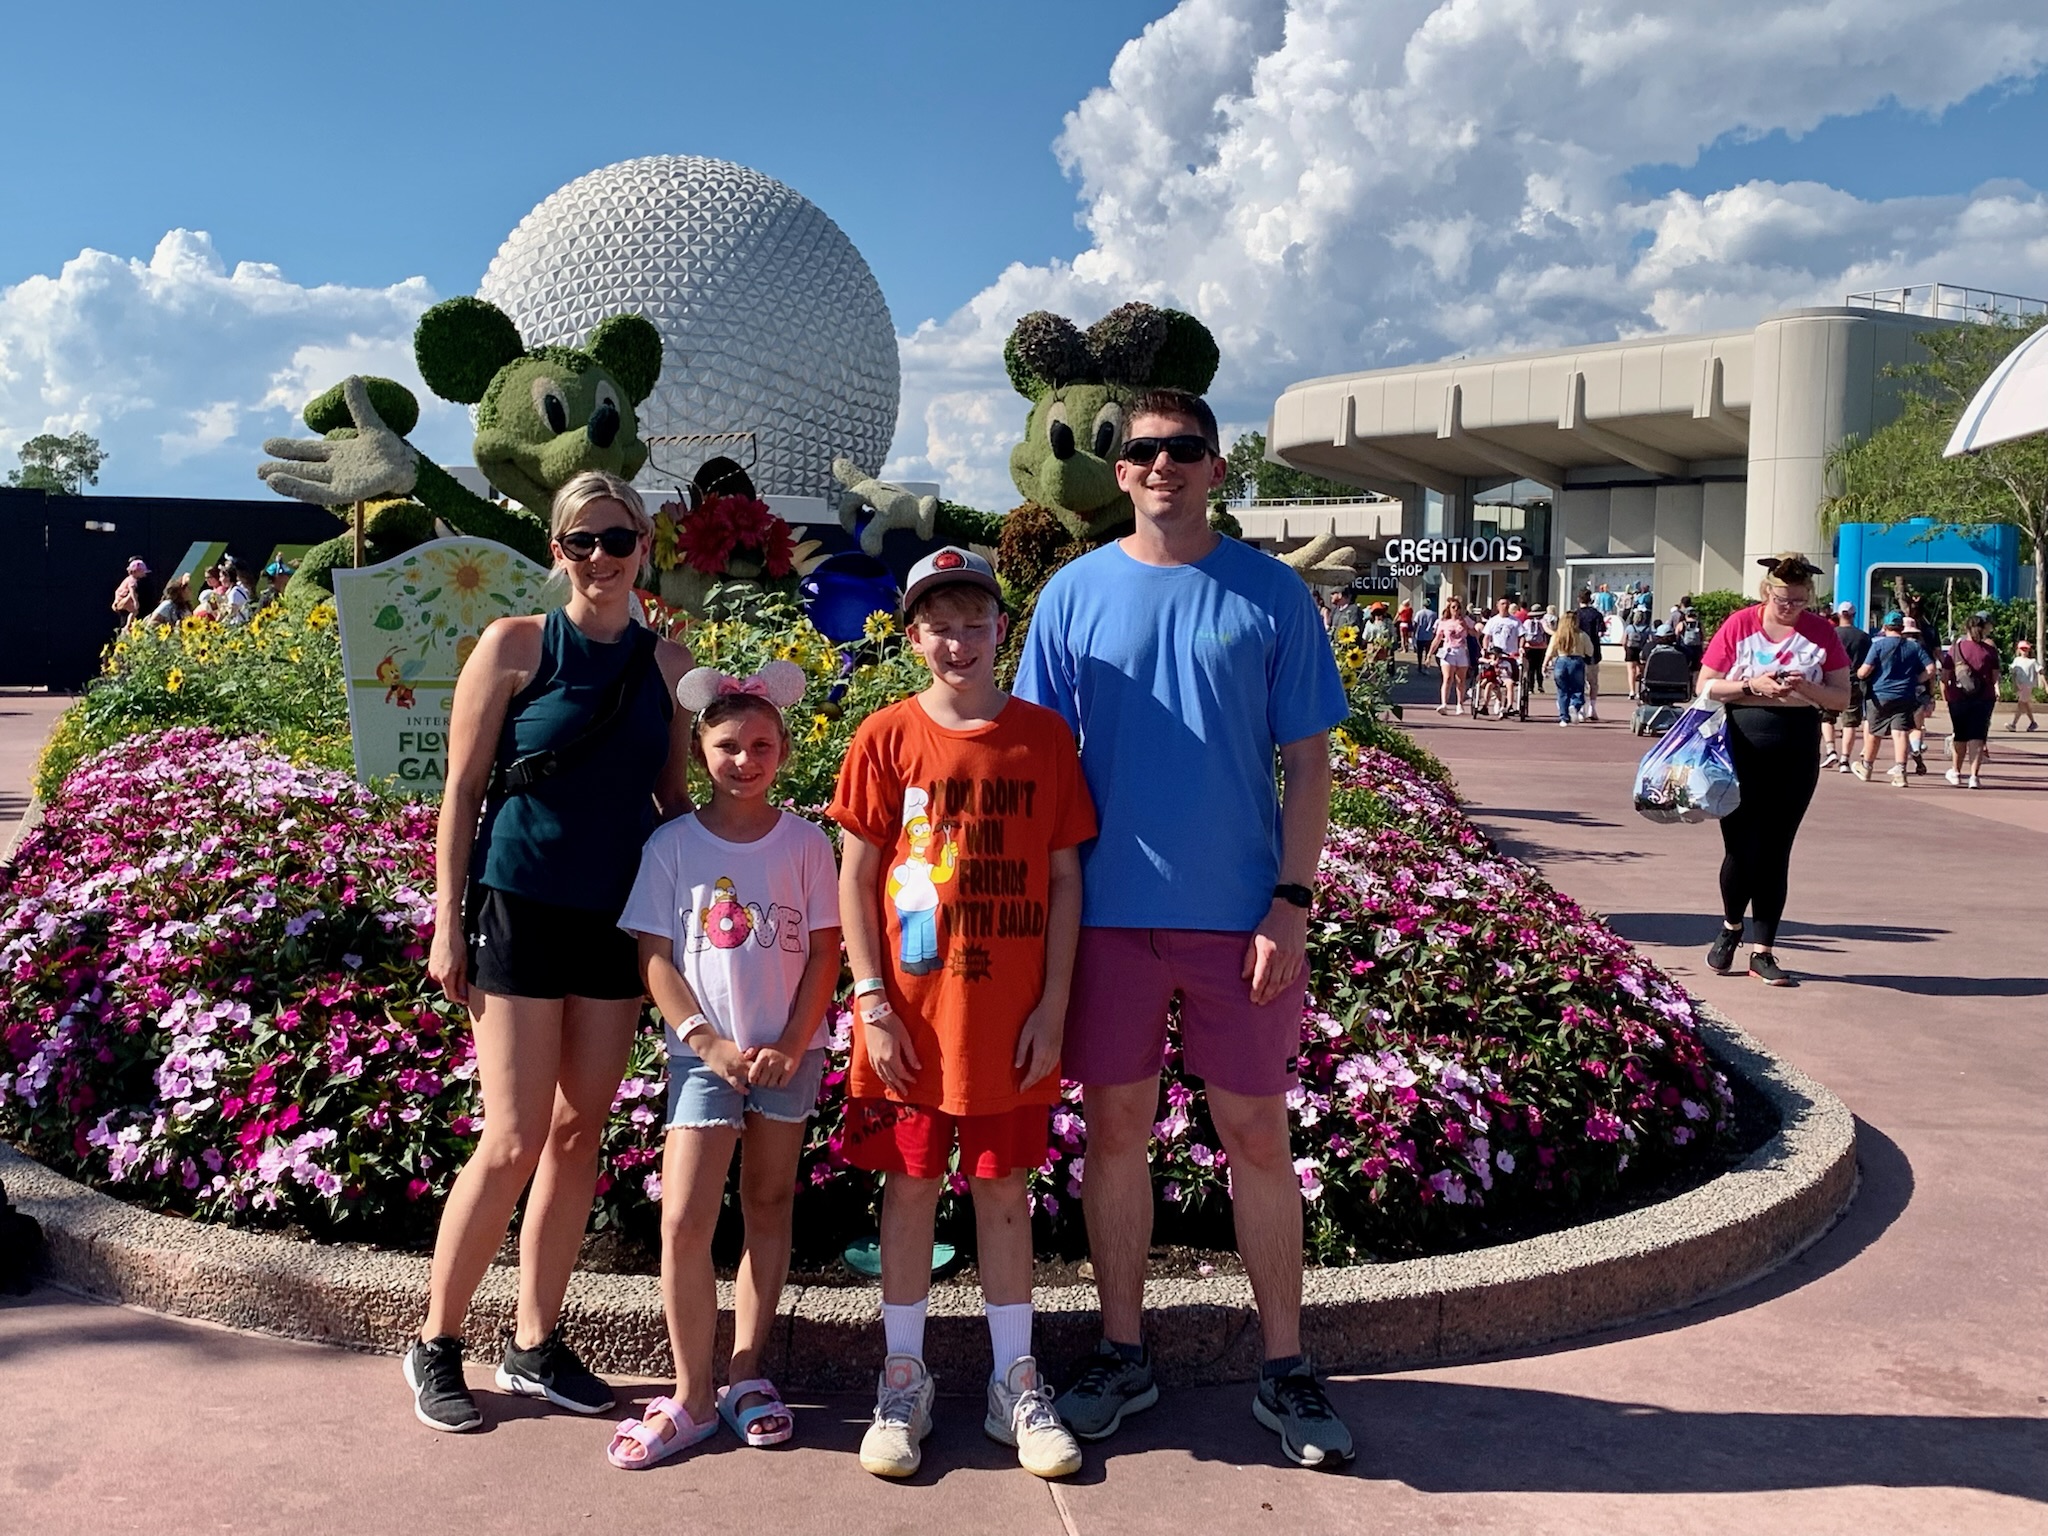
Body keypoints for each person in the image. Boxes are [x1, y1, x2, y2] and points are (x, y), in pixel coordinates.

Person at [1015, 388, 1355, 1468]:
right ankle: (1123, 1352)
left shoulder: (1271, 594)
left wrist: (1291, 902)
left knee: (1256, 1136)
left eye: (1184, 449)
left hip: (1239, 923)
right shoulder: (1072, 595)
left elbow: (1308, 764)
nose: (1162, 464)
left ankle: (1285, 1366)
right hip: (1107, 920)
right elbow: (1039, 764)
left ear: (1216, 466)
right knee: (1114, 1133)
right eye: (1143, 450)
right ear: (1118, 469)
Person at [410, 470, 695, 1434]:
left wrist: (736, 876)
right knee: (513, 1137)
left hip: (615, 920)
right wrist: (447, 920)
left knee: (580, 1134)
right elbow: (462, 792)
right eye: (583, 542)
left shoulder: (668, 664)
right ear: (558, 551)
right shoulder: (515, 645)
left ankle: (533, 1342)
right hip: (520, 904)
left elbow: (672, 800)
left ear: (644, 546)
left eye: (618, 540)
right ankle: (437, 1340)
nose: (602, 558)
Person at [833, 547, 1094, 1480]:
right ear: (912, 637)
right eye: (938, 626)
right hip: (909, 1019)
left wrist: (1053, 1004)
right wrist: (872, 998)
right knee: (909, 1189)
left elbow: (1064, 879)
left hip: (1007, 1020)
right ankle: (902, 1379)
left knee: (1002, 1190)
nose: (958, 641)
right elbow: (857, 876)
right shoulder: (885, 737)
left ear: (1000, 630)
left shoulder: (1044, 739)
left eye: (974, 622)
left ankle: (1013, 1382)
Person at [605, 661, 840, 1469]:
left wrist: (793, 1041)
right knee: (684, 1221)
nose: (745, 760)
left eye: (762, 746)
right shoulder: (673, 845)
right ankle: (692, 1394)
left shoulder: (806, 844)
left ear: (784, 752)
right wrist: (704, 1040)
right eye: (729, 746)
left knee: (768, 1203)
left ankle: (746, 1375)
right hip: (704, 1057)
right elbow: (655, 955)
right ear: (701, 750)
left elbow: (825, 952)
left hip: (788, 1056)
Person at [1695, 555, 1852, 986]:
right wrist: (1752, 685)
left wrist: (1807, 687)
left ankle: (1763, 951)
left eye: (1799, 601)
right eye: (1783, 600)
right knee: (1741, 848)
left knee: (1776, 849)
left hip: (1796, 746)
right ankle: (1731, 926)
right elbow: (1705, 685)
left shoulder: (1821, 632)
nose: (1791, 608)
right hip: (1742, 742)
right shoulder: (1740, 624)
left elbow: (1841, 698)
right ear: (1767, 592)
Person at [1854, 611, 1936, 787]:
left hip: (1879, 695)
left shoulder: (1878, 645)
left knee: (1874, 732)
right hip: (1905, 695)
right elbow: (1931, 669)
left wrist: (1859, 674)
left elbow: (1864, 672)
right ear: (1901, 628)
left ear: (1885, 627)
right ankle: (1900, 771)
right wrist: (1916, 680)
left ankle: (1867, 767)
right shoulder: (1914, 647)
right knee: (1900, 733)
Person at [1940, 611, 2000, 789]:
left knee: (1960, 735)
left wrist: (1947, 696)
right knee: (1977, 737)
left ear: (1966, 628)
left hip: (1959, 697)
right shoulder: (1990, 650)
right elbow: (1994, 677)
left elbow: (1945, 676)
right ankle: (1974, 776)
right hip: (1984, 698)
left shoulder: (1956, 648)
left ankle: (1956, 772)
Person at [1822, 601, 1871, 773]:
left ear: (1838, 614)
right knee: (1850, 722)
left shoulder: (1831, 634)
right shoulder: (1863, 637)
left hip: (1831, 680)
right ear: (1854, 615)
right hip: (1855, 681)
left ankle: (1830, 750)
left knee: (1827, 717)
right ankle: (1845, 759)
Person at [1425, 595, 1475, 715]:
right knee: (1447, 678)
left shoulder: (1466, 620)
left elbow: (1475, 634)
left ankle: (1460, 704)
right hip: (1448, 651)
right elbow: (1437, 639)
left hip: (1461, 651)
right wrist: (1429, 654)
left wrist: (1466, 627)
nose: (1456, 610)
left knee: (1461, 680)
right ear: (1449, 609)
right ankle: (1444, 704)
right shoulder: (1443, 622)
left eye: (1458, 607)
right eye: (1453, 607)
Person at [1545, 609, 1594, 726]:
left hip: (1561, 661)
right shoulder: (1582, 635)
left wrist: (1544, 664)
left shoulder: (1557, 635)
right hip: (1577, 662)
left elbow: (1550, 652)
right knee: (1577, 689)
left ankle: (1564, 718)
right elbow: (1590, 651)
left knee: (1562, 691)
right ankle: (1574, 706)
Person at [1572, 589, 1607, 720]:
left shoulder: (1575, 615)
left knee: (1578, 683)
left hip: (1578, 652)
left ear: (1578, 599)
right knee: (1593, 682)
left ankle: (1581, 709)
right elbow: (1601, 632)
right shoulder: (1597, 614)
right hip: (1593, 653)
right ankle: (1592, 707)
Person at [110, 557, 149, 631]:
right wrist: (135, 601)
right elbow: (132, 591)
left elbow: (117, 591)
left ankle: (127, 626)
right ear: (135, 572)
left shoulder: (128, 579)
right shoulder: (132, 581)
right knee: (135, 611)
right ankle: (128, 626)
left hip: (120, 600)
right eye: (142, 572)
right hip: (123, 600)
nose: (144, 574)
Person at [2009, 640, 2040, 731]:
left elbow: (2040, 672)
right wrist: (2014, 684)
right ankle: (2033, 723)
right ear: (2019, 650)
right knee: (2025, 704)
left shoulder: (2033, 661)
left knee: (2021, 704)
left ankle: (2013, 724)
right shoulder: (2017, 660)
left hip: (2028, 685)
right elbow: (2013, 673)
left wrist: (2046, 685)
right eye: (2022, 649)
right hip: (2020, 685)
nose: (2024, 651)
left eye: (2026, 649)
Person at [1622, 607, 1652, 700]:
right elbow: (1650, 641)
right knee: (1642, 672)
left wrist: (1626, 649)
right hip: (1641, 651)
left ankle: (1632, 691)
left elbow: (1623, 641)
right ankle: (1640, 691)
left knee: (1631, 671)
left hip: (1630, 650)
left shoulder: (1629, 628)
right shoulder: (1647, 629)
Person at [1519, 606, 1549, 694]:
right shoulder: (1543, 622)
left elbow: (1524, 635)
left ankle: (1530, 688)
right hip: (1541, 647)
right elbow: (1546, 633)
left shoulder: (1527, 622)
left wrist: (1521, 646)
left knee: (1530, 668)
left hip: (1529, 647)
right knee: (1539, 667)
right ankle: (1540, 685)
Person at [1411, 596, 1437, 662]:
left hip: (1420, 635)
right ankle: (1426, 663)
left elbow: (1415, 623)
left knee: (1419, 652)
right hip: (1429, 635)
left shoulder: (1419, 613)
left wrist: (1413, 633)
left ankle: (1419, 664)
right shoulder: (1434, 614)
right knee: (1427, 652)